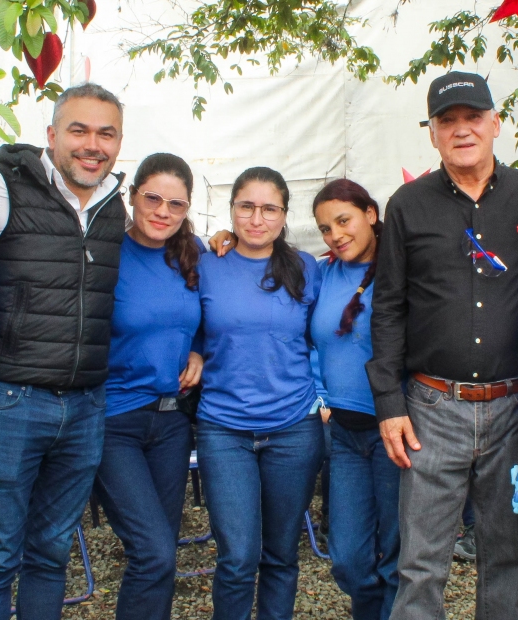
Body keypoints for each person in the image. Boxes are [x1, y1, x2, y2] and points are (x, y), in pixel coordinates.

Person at [367, 71, 518, 619]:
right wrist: (389, 405)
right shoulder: (407, 204)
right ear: (431, 133)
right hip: (430, 409)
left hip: (515, 412)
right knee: (422, 559)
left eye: (473, 117)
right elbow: (387, 307)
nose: (461, 130)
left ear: (495, 124)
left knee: (506, 553)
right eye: (447, 120)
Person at [0, 83, 128, 620]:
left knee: (52, 553)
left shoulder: (112, 204)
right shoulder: (4, 191)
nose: (92, 144)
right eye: (78, 130)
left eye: (106, 133)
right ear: (52, 135)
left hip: (85, 407)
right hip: (13, 401)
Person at [196, 166, 323, 619]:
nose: (256, 218)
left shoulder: (306, 268)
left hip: (294, 429)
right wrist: (194, 353)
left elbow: (326, 336)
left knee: (281, 554)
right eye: (246, 207)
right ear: (231, 211)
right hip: (223, 430)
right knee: (237, 557)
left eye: (269, 208)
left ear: (284, 214)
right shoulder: (206, 262)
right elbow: (183, 322)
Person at [92, 153, 204, 620]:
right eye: (152, 198)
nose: (162, 211)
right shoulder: (105, 254)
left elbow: (207, 317)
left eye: (175, 204)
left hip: (173, 421)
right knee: (154, 550)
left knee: (160, 555)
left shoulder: (193, 253)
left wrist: (198, 351)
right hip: (115, 421)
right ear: (132, 194)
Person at [311, 179, 399, 620]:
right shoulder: (322, 273)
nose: (335, 234)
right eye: (325, 228)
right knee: (347, 556)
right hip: (344, 434)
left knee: (397, 555)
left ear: (370, 213)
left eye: (343, 220)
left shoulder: (398, 270)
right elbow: (304, 339)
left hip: (396, 433)